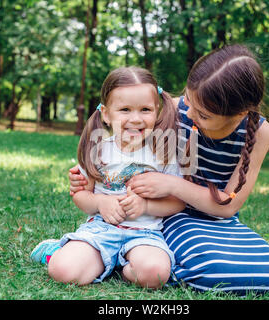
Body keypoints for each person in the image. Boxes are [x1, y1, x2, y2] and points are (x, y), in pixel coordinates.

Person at [68, 45, 269, 295]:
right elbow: (122, 133)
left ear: (240, 114)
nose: (189, 112)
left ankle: (143, 267)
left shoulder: (260, 131)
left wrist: (172, 184)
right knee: (215, 271)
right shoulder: (173, 110)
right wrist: (90, 179)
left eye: (203, 115)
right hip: (170, 214)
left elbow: (229, 206)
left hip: (216, 215)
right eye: (187, 98)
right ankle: (129, 261)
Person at [30, 66, 185, 289]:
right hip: (100, 230)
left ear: (157, 111)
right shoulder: (98, 149)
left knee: (156, 275)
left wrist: (146, 206)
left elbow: (177, 202)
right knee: (62, 271)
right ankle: (57, 250)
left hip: (145, 234)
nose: (136, 118)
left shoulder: (163, 153)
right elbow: (80, 195)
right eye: (124, 110)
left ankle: (119, 266)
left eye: (145, 109)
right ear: (106, 114)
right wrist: (101, 202)